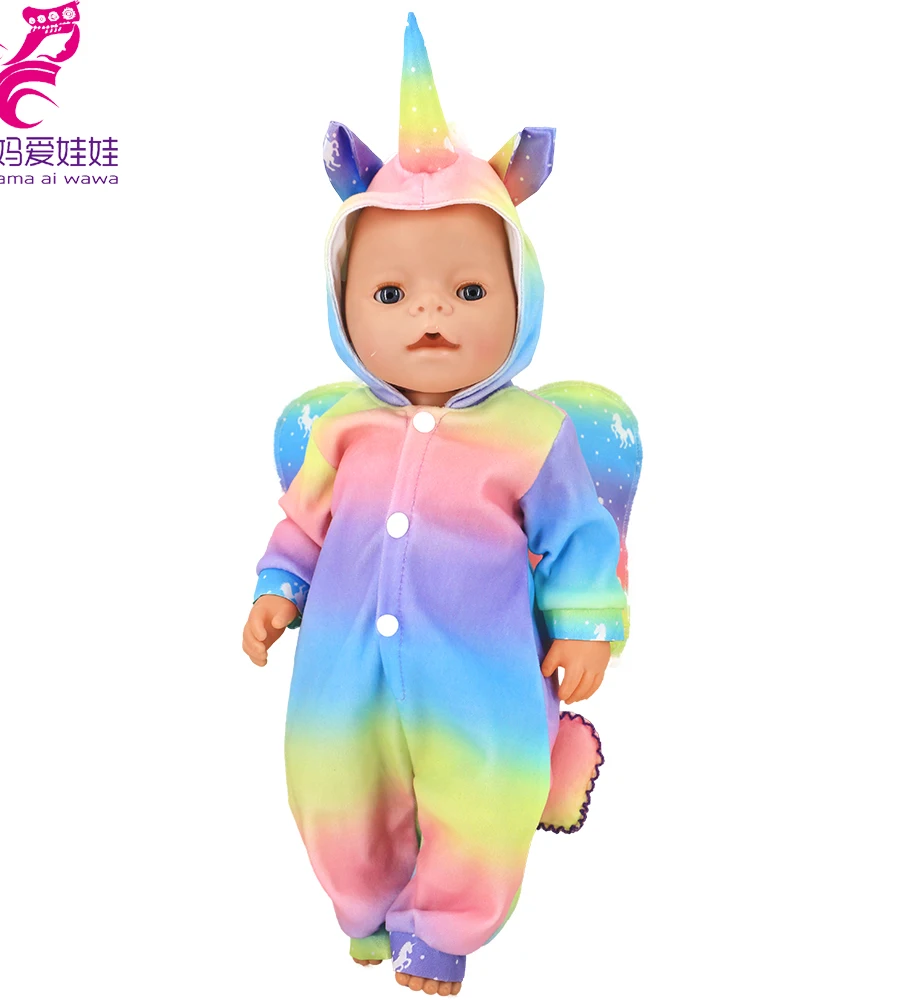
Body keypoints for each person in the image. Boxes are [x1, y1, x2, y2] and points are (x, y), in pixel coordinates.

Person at [242, 14, 628, 996]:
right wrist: (277, 588)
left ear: (521, 296)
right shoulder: (340, 429)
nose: (428, 313)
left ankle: (445, 930)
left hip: (480, 672)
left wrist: (586, 625)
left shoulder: (531, 433)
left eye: (467, 290)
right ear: (341, 309)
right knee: (328, 784)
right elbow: (303, 524)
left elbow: (579, 536)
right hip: (339, 672)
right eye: (389, 295)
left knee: (485, 788)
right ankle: (364, 908)